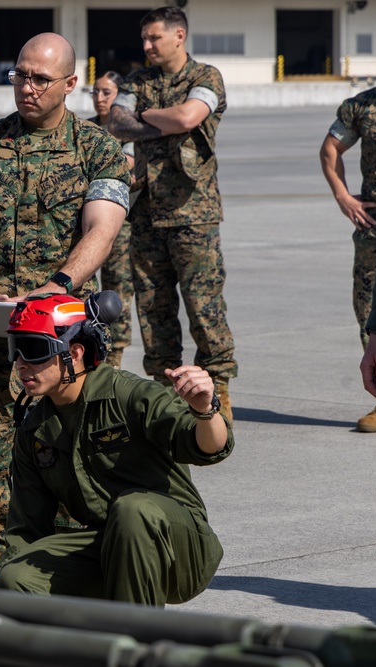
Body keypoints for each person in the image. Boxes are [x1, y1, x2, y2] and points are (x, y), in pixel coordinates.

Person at [0, 33, 131, 588]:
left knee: (69, 444)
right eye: (19, 75)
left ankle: (62, 562)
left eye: (40, 78)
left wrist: (57, 286)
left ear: (70, 84)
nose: (27, 86)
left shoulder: (98, 150)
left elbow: (102, 228)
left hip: (61, 332)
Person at [0, 292, 232, 606]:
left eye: (35, 349)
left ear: (74, 353)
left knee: (133, 510)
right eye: (15, 349)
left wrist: (204, 409)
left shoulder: (131, 395)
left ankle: (136, 634)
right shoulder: (35, 430)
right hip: (107, 544)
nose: (21, 363)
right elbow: (26, 528)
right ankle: (89, 635)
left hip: (179, 547)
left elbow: (209, 447)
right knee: (16, 578)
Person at [109, 6, 236, 420]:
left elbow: (188, 116)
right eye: (144, 39)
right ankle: (166, 392)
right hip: (146, 213)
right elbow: (116, 123)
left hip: (193, 213)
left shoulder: (205, 77)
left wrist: (144, 117)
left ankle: (217, 387)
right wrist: (162, 123)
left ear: (179, 36)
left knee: (204, 305)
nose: (147, 46)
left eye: (155, 38)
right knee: (153, 309)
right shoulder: (136, 81)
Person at [320, 85, 376, 432]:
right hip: (375, 229)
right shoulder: (363, 106)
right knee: (371, 313)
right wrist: (343, 197)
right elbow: (331, 149)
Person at [87, 71, 136, 370]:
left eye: (107, 92)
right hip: (87, 222)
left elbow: (126, 164)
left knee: (118, 286)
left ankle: (114, 352)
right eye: (95, 92)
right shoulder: (86, 128)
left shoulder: (126, 129)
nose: (99, 98)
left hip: (119, 225)